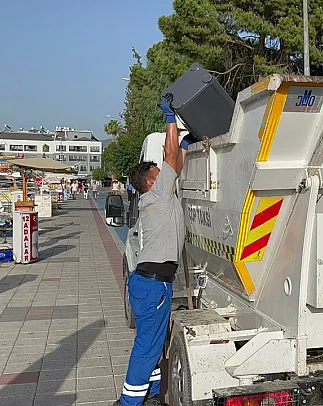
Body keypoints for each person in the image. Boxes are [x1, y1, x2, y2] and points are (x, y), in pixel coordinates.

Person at [114, 96, 195, 406]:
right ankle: (128, 402)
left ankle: (149, 393)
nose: (165, 171)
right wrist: (171, 120)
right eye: (159, 171)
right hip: (152, 285)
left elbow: (175, 162)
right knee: (147, 346)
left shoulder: (157, 196)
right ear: (151, 180)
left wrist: (186, 143)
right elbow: (170, 156)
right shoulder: (158, 195)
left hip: (150, 283)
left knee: (154, 343)